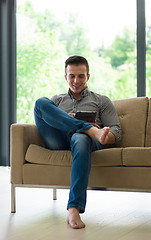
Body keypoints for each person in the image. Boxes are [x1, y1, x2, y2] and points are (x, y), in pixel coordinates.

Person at [34, 56, 122, 229]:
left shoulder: (101, 101)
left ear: (88, 77)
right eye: (72, 76)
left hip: (85, 143)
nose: (76, 81)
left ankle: (74, 208)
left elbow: (116, 131)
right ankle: (87, 128)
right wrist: (71, 121)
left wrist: (104, 136)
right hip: (59, 140)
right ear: (65, 77)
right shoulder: (57, 101)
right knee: (40, 103)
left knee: (80, 137)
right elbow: (45, 115)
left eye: (81, 76)